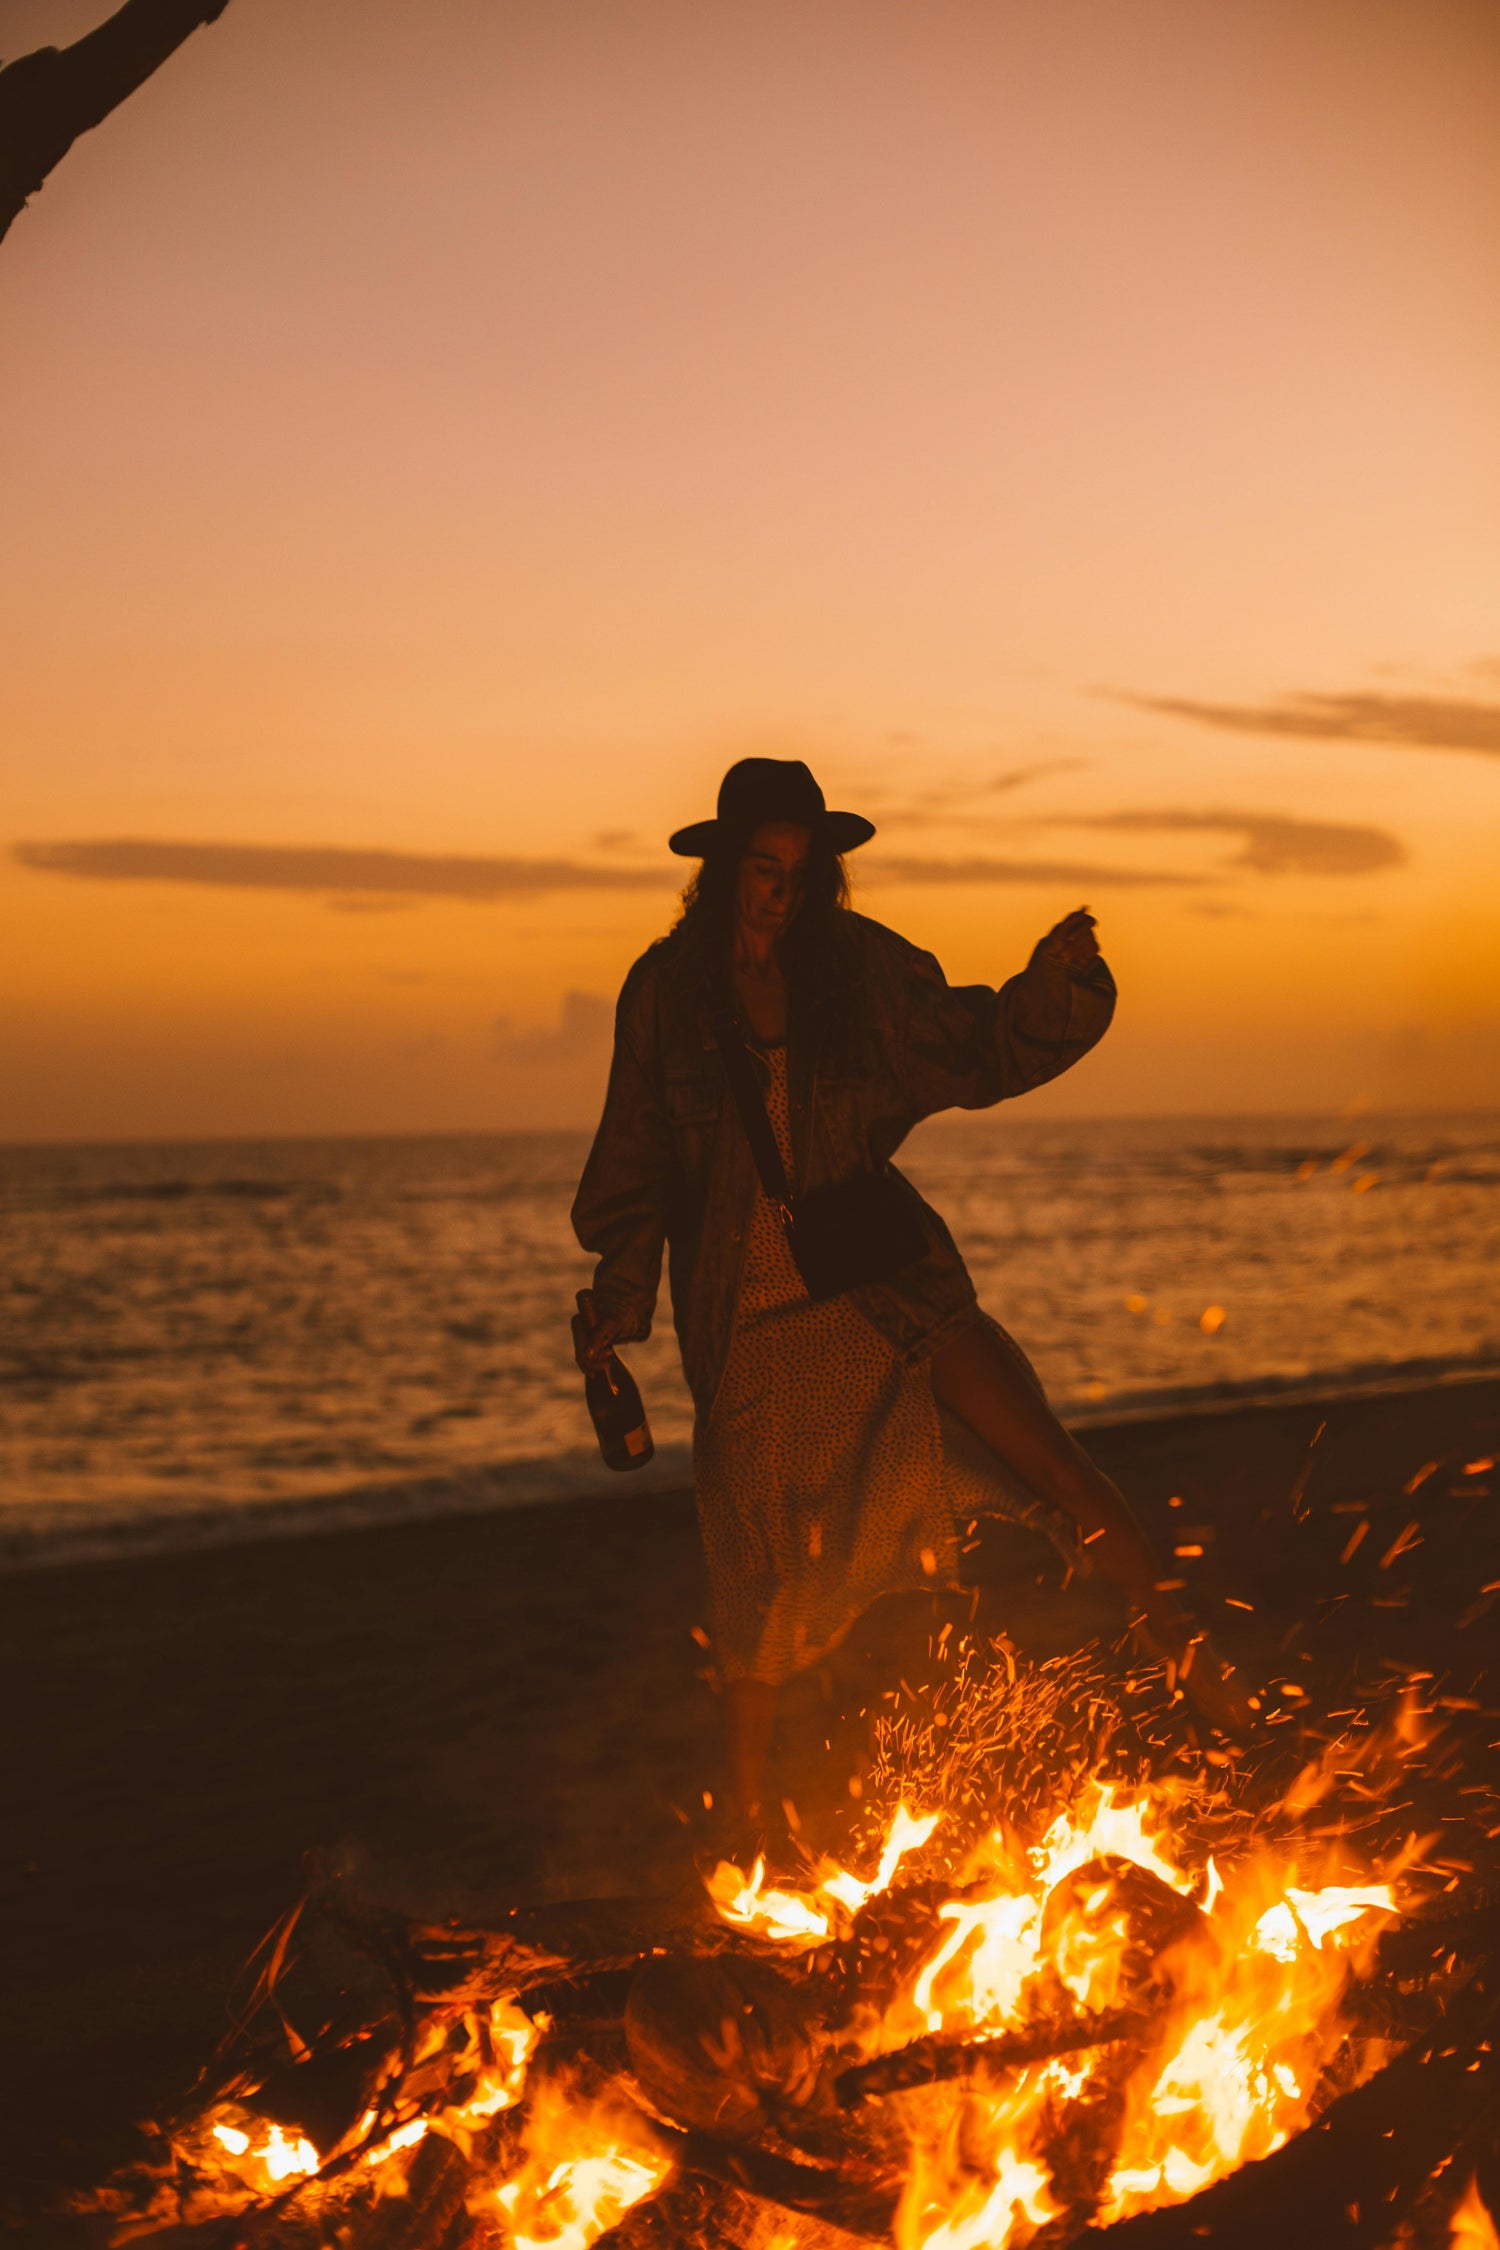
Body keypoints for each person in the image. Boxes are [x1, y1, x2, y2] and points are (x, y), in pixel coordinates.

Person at [572, 758, 1244, 1841]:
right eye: (761, 869)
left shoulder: (860, 974)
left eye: (800, 873)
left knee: (1048, 1459)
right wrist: (618, 1290)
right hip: (747, 1326)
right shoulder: (665, 997)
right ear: (719, 872)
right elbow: (638, 1156)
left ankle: (1206, 1669)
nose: (778, 895)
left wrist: (1053, 989)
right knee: (758, 1593)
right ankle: (748, 1838)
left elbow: (976, 1046)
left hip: (886, 1289)